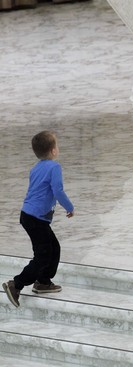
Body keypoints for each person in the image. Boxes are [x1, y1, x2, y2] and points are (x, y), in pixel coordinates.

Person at [3, 131, 75, 308]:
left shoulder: (35, 168)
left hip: (30, 216)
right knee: (42, 256)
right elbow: (57, 191)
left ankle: (43, 281)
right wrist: (70, 207)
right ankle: (16, 284)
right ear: (53, 151)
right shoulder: (54, 167)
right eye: (56, 145)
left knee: (53, 248)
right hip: (35, 219)